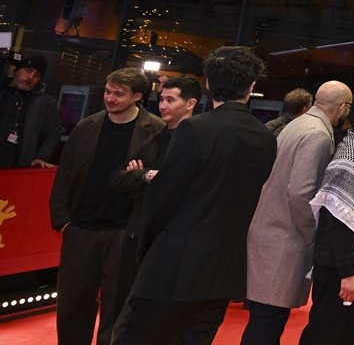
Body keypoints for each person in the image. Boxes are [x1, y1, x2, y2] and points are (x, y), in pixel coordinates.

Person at [112, 46, 277, 345]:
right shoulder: (266, 137)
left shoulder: (195, 130)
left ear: (209, 85)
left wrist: (148, 248)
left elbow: (164, 197)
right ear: (251, 87)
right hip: (223, 270)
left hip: (174, 267)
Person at [49, 67, 164, 345]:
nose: (110, 98)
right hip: (80, 229)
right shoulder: (86, 126)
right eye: (108, 91)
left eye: (119, 94)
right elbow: (64, 176)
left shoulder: (156, 130)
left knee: (116, 310)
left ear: (137, 96)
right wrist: (63, 221)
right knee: (72, 305)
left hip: (124, 233)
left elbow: (159, 181)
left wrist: (141, 176)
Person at [241, 80, 353, 345]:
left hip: (270, 230)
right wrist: (312, 233)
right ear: (344, 107)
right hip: (284, 237)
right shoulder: (318, 134)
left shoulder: (299, 123)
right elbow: (300, 192)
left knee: (264, 320)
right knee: (267, 322)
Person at [109, 76, 204, 341]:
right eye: (162, 99)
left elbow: (182, 190)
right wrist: (145, 177)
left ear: (190, 104)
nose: (163, 105)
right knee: (123, 313)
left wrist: (145, 181)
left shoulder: (198, 141)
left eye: (170, 100)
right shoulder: (154, 138)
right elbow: (118, 178)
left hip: (172, 242)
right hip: (137, 235)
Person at [297, 90, 354, 345]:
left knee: (349, 332)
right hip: (341, 265)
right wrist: (348, 272)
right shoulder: (350, 157)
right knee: (327, 332)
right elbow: (337, 220)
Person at [0, 53, 61, 168]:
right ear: (16, 71)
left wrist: (41, 156)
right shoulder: (2, 91)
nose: (30, 77)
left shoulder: (45, 103)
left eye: (37, 75)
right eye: (28, 70)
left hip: (18, 167)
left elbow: (53, 134)